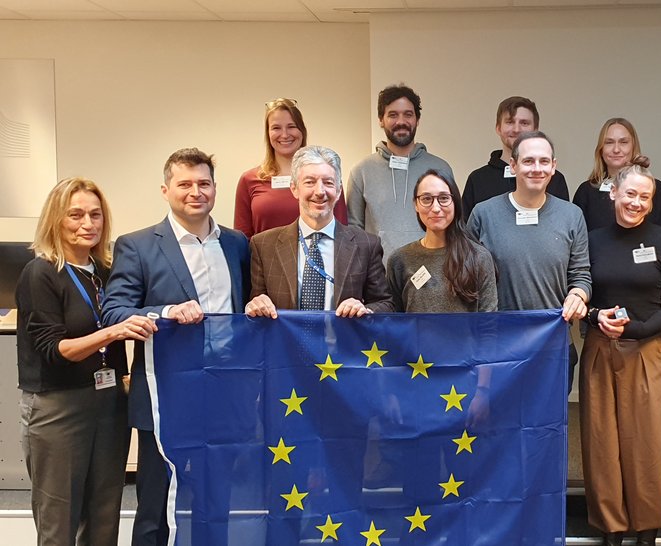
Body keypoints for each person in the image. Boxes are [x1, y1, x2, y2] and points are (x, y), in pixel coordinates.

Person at [102, 148, 251, 546]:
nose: (195, 192)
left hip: (224, 394)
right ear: (166, 189)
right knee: (155, 502)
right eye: (185, 184)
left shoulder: (237, 244)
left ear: (215, 189)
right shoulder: (136, 245)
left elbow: (248, 307)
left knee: (217, 499)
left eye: (203, 184)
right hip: (164, 395)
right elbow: (114, 311)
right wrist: (166, 311)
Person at [17, 177, 156, 546]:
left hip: (109, 403)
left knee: (104, 512)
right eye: (75, 214)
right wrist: (113, 332)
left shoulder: (106, 272)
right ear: (55, 219)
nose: (87, 223)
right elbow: (54, 348)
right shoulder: (41, 272)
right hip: (59, 407)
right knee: (59, 518)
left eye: (95, 215)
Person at [580, 157, 661, 546]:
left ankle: (647, 528)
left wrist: (640, 330)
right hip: (599, 349)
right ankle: (612, 527)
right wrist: (594, 317)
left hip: (646, 350)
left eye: (645, 196)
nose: (636, 202)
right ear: (613, 193)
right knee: (601, 442)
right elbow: (580, 293)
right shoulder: (591, 240)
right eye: (630, 194)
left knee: (648, 443)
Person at [467, 130, 591, 389]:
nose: (537, 168)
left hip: (552, 344)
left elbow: (581, 274)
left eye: (544, 161)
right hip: (499, 346)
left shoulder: (572, 216)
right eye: (528, 161)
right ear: (513, 166)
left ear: (554, 166)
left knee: (550, 427)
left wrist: (578, 295)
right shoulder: (483, 214)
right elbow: (467, 278)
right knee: (501, 425)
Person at [245, 145, 394, 318]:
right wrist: (255, 305)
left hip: (342, 343)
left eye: (328, 182)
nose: (320, 191)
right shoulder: (264, 246)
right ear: (294, 188)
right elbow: (256, 303)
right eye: (309, 182)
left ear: (338, 191)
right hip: (285, 344)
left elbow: (386, 304)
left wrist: (366, 310)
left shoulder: (366, 245)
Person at [347, 84, 454, 259]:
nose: (401, 121)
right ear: (381, 120)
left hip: (432, 273)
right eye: (393, 115)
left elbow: (452, 226)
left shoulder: (440, 168)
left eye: (408, 114)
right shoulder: (361, 171)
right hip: (378, 277)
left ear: (417, 120)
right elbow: (354, 231)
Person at [234, 97, 347, 238]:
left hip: (317, 259)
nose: (285, 135)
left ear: (302, 131)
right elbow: (242, 239)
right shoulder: (249, 180)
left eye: (291, 126)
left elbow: (342, 233)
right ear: (268, 133)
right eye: (276, 128)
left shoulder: (326, 177)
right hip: (265, 259)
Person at [387, 169, 497, 313]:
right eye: (426, 199)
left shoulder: (479, 257)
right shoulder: (399, 260)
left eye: (444, 198)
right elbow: (395, 320)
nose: (436, 208)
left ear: (455, 202)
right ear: (416, 204)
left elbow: (488, 324)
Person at [462, 96, 569, 219]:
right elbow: (466, 232)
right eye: (510, 122)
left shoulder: (555, 179)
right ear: (498, 128)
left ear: (535, 129)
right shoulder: (478, 179)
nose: (517, 129)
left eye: (524, 123)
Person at [572, 118, 661, 231]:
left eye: (623, 142)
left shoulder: (656, 189)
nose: (616, 149)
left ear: (633, 146)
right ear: (601, 149)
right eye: (609, 142)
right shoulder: (585, 192)